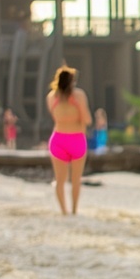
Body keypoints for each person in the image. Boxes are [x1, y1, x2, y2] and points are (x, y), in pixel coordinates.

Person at [46, 66, 93, 215]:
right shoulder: (79, 95)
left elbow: (55, 117)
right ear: (72, 81)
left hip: (58, 138)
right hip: (76, 139)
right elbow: (87, 119)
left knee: (60, 180)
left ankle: (63, 211)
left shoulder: (51, 97)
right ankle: (74, 210)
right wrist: (77, 107)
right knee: (76, 180)